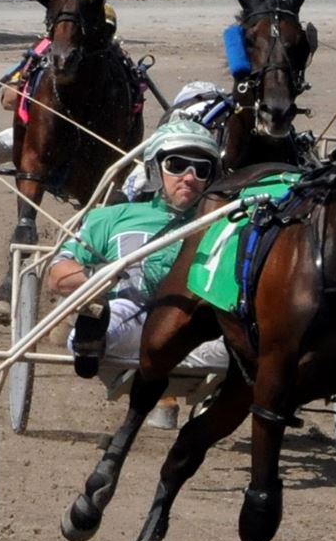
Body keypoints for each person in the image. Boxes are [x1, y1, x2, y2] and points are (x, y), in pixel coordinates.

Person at [49, 122, 229, 426]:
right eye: (178, 165)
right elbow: (58, 275)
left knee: (247, 348)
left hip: (195, 327)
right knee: (102, 324)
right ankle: (89, 341)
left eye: (201, 170)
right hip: (133, 313)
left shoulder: (222, 223)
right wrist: (102, 274)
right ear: (156, 170)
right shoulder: (110, 218)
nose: (189, 177)